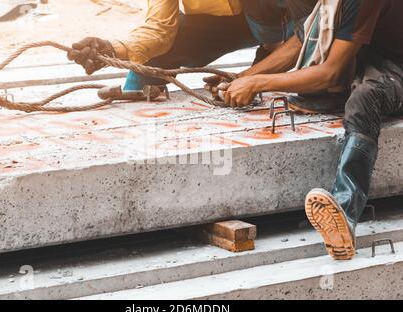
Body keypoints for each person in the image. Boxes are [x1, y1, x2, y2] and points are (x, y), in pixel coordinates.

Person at [216, 0, 403, 260]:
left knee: (364, 98)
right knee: (318, 83)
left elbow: (330, 73)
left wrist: (257, 83)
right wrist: (241, 79)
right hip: (369, 60)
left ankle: (345, 212)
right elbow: (297, 43)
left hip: (396, 69)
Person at [67, 0, 316, 91]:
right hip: (239, 24)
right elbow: (159, 30)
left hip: (297, 22)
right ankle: (136, 92)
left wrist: (246, 77)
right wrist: (112, 49)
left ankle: (272, 56)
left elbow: (312, 32)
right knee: (164, 50)